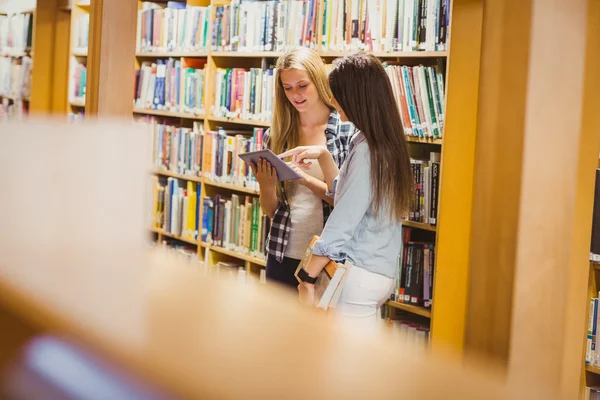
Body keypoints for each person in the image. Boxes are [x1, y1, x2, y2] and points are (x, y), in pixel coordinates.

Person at [279, 52, 414, 331]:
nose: (333, 101)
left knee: (351, 367)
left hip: (360, 274)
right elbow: (349, 192)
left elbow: (343, 219)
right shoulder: (378, 139)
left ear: (356, 96)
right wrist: (324, 157)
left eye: (337, 94)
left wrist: (308, 276)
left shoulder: (368, 150)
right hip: (379, 269)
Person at [249, 47, 356, 289]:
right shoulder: (276, 136)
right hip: (282, 253)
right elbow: (271, 211)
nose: (295, 94)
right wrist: (266, 186)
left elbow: (347, 203)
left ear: (318, 81)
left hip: (329, 258)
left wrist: (303, 179)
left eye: (302, 85)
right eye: (287, 88)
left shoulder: (346, 132)